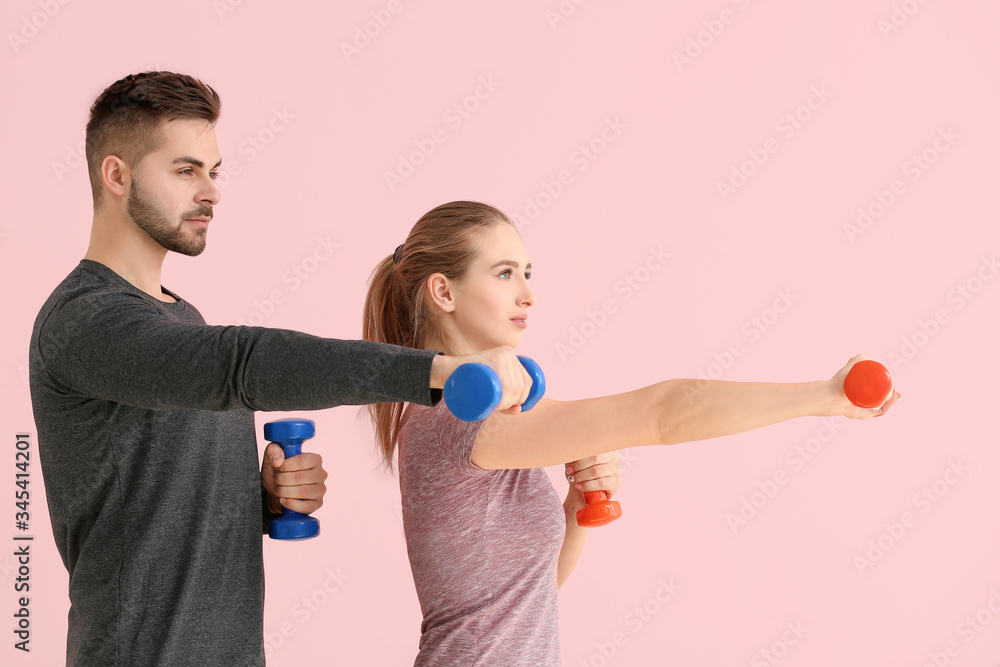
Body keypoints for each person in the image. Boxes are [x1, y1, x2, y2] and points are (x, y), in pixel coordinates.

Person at [28, 73, 534, 667]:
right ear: (117, 176)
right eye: (186, 170)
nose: (211, 192)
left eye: (214, 172)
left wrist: (263, 500)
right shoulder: (84, 322)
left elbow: (154, 496)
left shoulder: (181, 320)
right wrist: (440, 370)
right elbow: (242, 363)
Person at [362, 200, 900, 666]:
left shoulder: (478, 418)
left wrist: (576, 505)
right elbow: (665, 412)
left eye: (529, 272)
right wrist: (823, 397)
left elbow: (531, 597)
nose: (528, 294)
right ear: (444, 291)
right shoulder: (458, 418)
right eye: (504, 274)